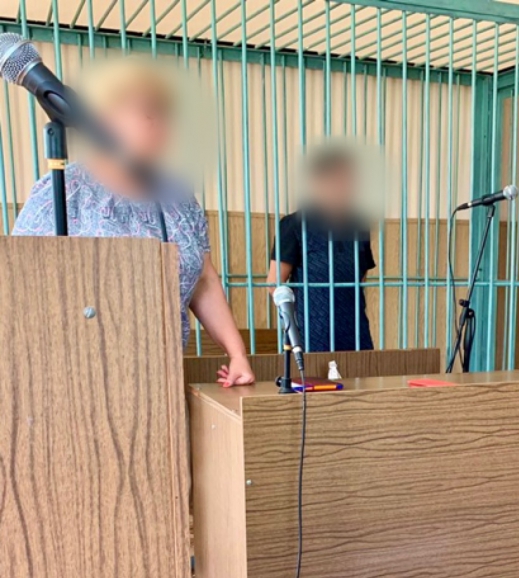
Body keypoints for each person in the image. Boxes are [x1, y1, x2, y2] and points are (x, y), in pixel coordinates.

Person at [12, 57, 254, 388]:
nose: (162, 125)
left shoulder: (178, 194)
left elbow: (204, 279)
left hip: (159, 379)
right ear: (105, 116)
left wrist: (237, 353)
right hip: (72, 381)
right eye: (150, 112)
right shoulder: (62, 191)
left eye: (166, 114)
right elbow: (20, 287)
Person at [266, 146, 375, 352]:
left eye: (349, 180)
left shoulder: (359, 225)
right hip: (311, 334)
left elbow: (361, 277)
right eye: (337, 180)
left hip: (355, 330)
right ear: (319, 182)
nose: (344, 187)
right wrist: (296, 324)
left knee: (362, 371)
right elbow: (275, 284)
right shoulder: (294, 224)